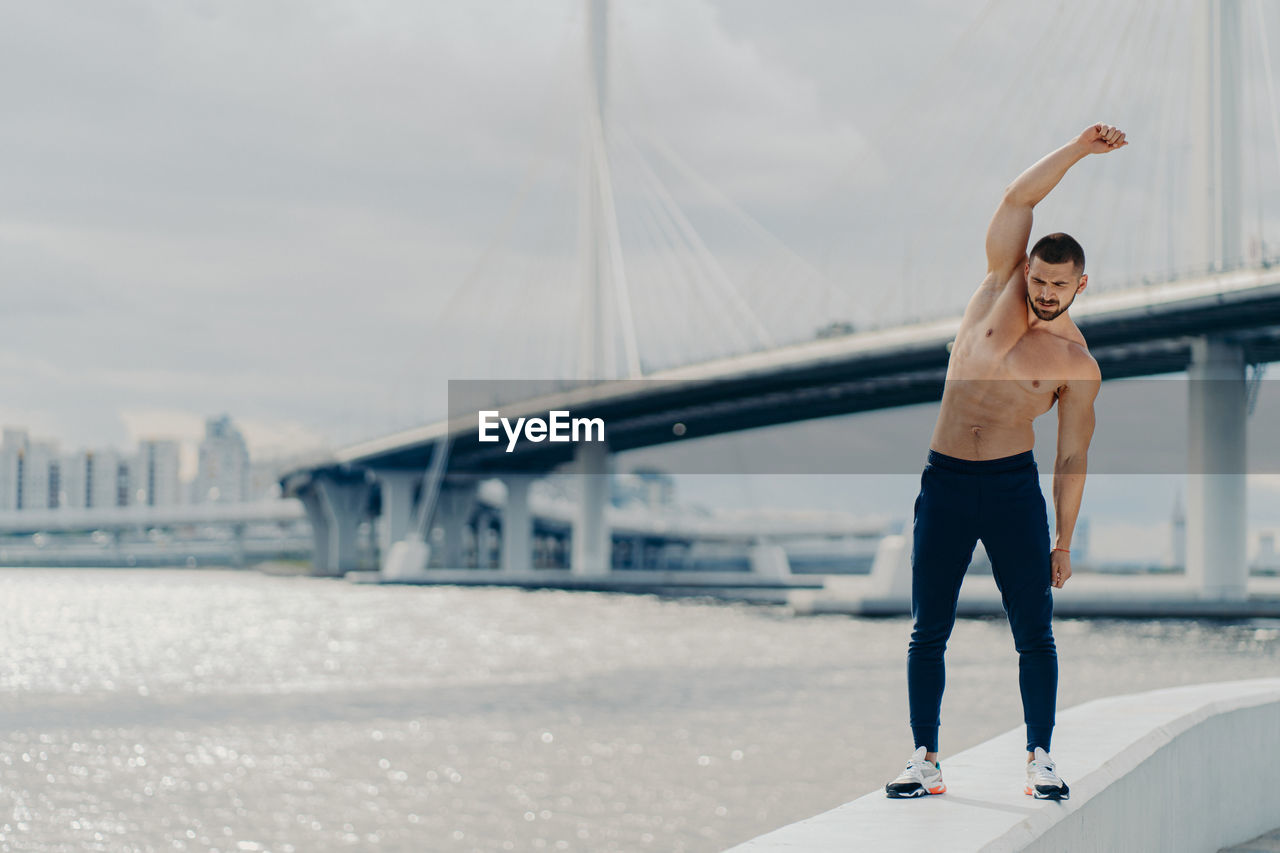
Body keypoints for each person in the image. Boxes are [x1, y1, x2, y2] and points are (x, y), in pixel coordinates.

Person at [884, 123, 1127, 801]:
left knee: (1034, 631)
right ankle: (925, 758)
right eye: (1041, 278)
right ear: (1028, 269)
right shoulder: (997, 287)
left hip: (1013, 489)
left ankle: (1040, 756)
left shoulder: (1077, 365)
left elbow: (1072, 452)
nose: (1047, 292)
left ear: (1082, 284)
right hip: (947, 480)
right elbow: (1018, 196)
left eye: (1060, 285)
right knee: (928, 626)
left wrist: (1066, 538)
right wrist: (1080, 149)